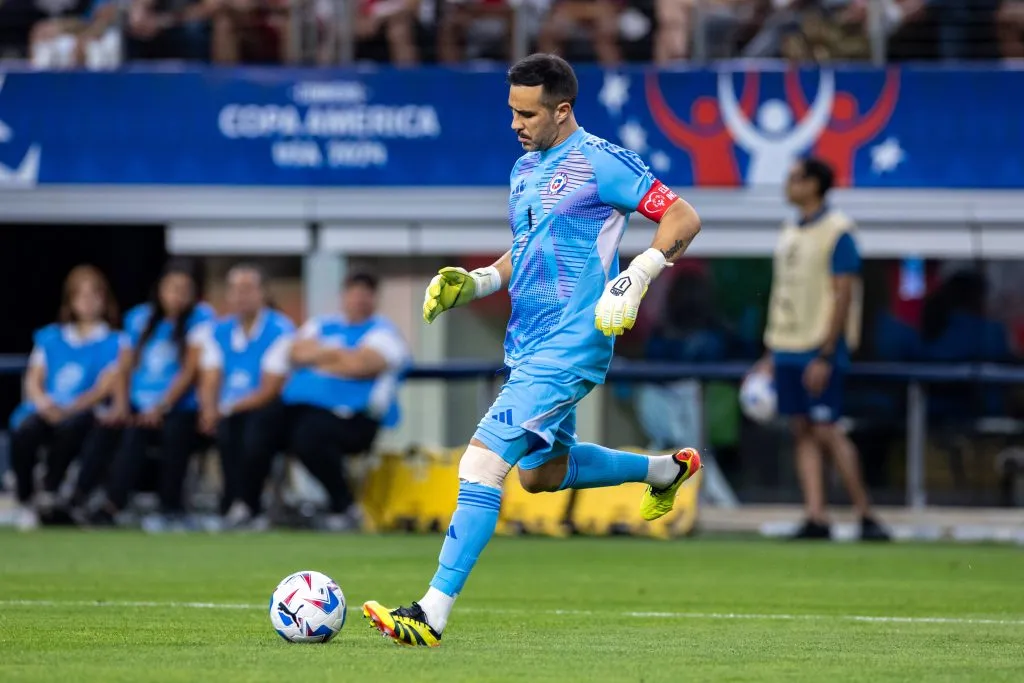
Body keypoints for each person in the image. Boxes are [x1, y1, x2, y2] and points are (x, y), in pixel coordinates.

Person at [362, 53, 703, 647]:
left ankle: (430, 613)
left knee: (481, 463)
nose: (516, 124)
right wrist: (478, 282)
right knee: (539, 476)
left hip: (574, 342)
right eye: (512, 112)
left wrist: (640, 271)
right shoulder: (524, 170)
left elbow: (682, 216)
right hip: (529, 343)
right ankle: (664, 471)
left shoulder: (601, 161)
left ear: (562, 110)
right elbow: (526, 249)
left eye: (527, 113)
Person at [751, 157, 889, 541]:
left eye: (795, 178)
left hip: (818, 347)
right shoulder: (789, 230)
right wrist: (769, 354)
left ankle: (865, 513)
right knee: (801, 429)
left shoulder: (838, 231)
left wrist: (827, 353)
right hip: (787, 344)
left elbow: (843, 294)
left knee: (828, 428)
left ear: (814, 184)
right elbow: (784, 295)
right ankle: (816, 515)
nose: (788, 185)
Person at [236, 272, 408, 531]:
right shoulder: (321, 325)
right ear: (343, 296)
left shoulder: (384, 332)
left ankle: (345, 506)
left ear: (374, 298)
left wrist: (318, 356)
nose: (358, 300)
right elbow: (294, 351)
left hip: (353, 418)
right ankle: (248, 507)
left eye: (365, 294)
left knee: (309, 435)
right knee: (258, 423)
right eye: (353, 293)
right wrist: (338, 354)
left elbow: (361, 365)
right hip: (300, 409)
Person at [86, 259, 214, 529]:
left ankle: (170, 507)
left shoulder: (202, 318)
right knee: (119, 430)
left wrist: (161, 406)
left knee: (175, 433)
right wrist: (122, 405)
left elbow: (190, 371)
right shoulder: (138, 317)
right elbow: (125, 366)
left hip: (179, 407)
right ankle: (104, 503)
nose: (177, 296)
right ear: (160, 289)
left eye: (184, 289)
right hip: (138, 404)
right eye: (172, 288)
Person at [8, 265, 121, 531]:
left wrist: (71, 408)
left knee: (73, 427)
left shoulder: (114, 341)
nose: (88, 302)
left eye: (94, 295)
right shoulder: (50, 336)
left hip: (81, 412)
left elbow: (105, 386)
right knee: (25, 431)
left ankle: (52, 489)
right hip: (48, 407)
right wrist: (44, 402)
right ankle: (24, 497)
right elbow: (34, 378)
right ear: (71, 301)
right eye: (81, 296)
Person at [196, 263, 294, 522]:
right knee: (223, 429)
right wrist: (208, 410)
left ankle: (248, 503)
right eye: (235, 289)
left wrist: (225, 409)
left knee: (254, 431)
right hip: (228, 412)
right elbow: (210, 376)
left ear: (263, 293)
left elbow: (270, 388)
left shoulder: (280, 329)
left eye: (248, 289)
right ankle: (229, 503)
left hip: (266, 410)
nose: (241, 295)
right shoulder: (219, 330)